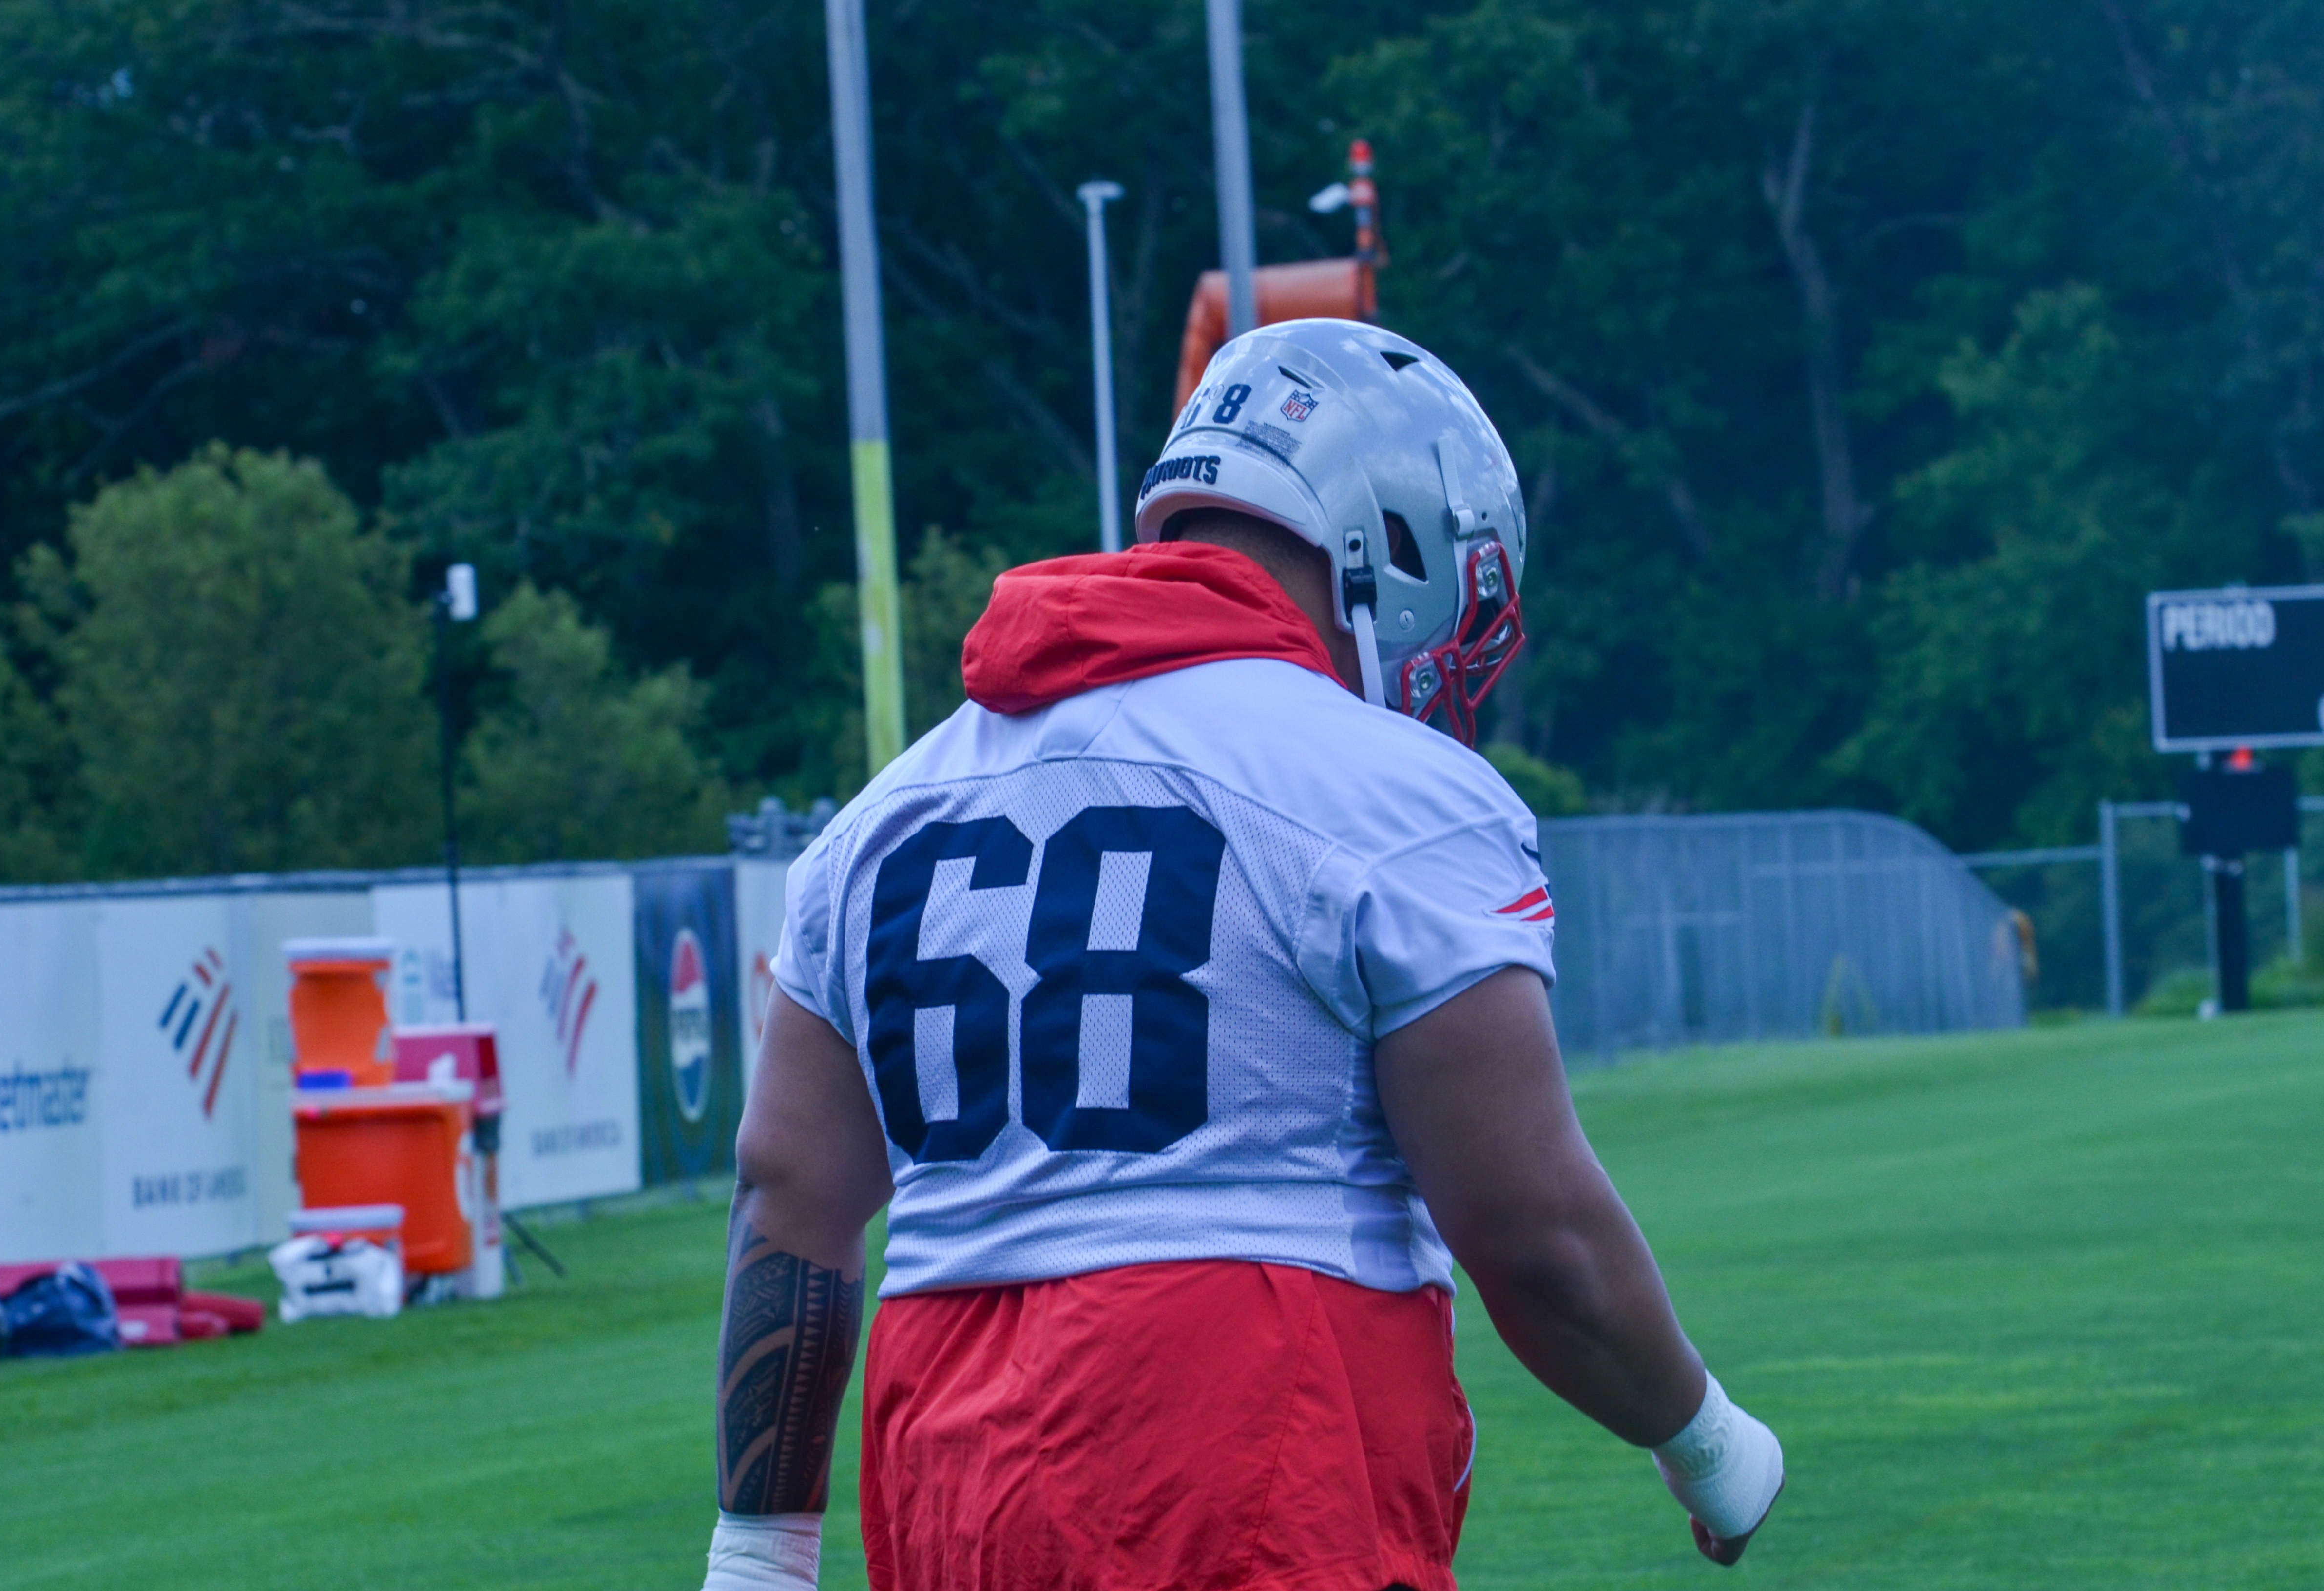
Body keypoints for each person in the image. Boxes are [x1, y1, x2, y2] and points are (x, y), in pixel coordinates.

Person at [701, 320, 1783, 1591]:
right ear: (1392, 546)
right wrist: (1703, 1437)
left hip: (955, 1483)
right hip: (1251, 1457)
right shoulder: (1390, 795)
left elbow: (789, 1197)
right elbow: (1532, 1231)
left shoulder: (880, 821)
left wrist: (760, 1549)